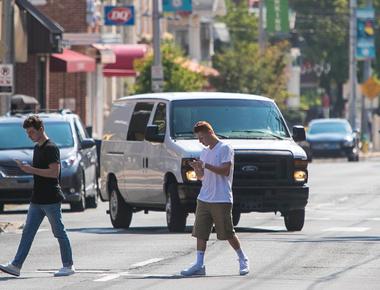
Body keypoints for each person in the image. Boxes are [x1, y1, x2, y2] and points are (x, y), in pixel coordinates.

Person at [0, 115, 75, 277]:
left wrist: (31, 170)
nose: (29, 135)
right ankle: (16, 265)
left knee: (59, 232)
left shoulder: (51, 147)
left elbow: (54, 173)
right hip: (37, 199)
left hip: (51, 199)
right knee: (27, 232)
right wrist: (26, 168)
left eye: (31, 132)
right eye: (27, 132)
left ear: (41, 129)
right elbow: (40, 172)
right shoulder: (37, 148)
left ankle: (68, 266)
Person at [180, 121, 249, 277]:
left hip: (221, 198)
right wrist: (198, 169)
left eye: (202, 137)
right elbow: (202, 177)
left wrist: (205, 165)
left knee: (227, 233)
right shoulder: (204, 152)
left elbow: (225, 171)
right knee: (200, 232)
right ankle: (199, 264)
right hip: (204, 197)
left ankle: (242, 258)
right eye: (198, 138)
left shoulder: (225, 148)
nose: (200, 141)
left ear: (210, 133)